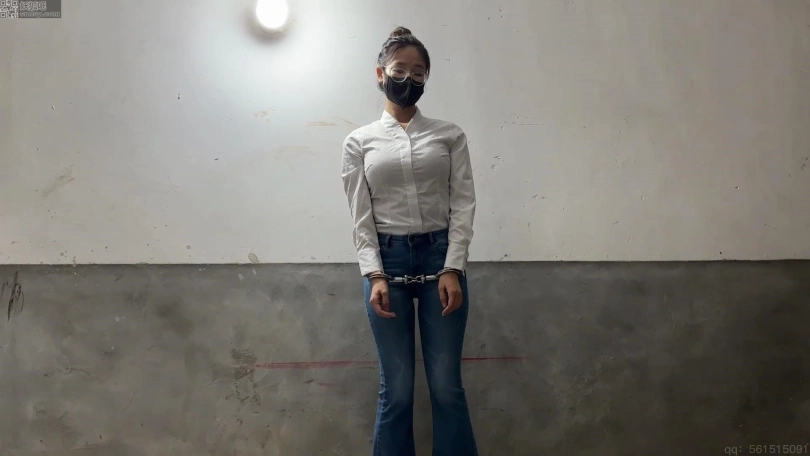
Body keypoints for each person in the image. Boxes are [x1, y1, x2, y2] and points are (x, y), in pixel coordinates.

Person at [340, 26, 479, 456]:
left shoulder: (449, 135)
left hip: (441, 260)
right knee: (397, 390)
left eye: (419, 73)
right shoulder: (359, 142)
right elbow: (361, 217)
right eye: (400, 70)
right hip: (388, 264)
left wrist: (453, 266)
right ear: (380, 73)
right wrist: (374, 274)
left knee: (447, 387)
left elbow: (463, 204)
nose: (409, 79)